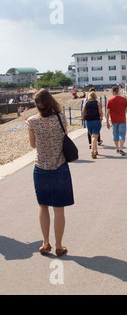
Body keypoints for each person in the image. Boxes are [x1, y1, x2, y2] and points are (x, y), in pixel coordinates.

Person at [25, 89, 74, 257]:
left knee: (43, 206)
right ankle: (59, 245)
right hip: (60, 167)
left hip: (41, 169)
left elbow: (33, 145)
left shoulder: (32, 122)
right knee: (58, 209)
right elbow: (64, 137)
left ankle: (45, 243)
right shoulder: (61, 118)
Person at [106, 86, 127, 156]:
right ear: (118, 91)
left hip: (114, 120)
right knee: (122, 134)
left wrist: (107, 122)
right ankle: (121, 148)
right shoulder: (123, 99)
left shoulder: (110, 100)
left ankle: (117, 148)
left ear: (113, 92)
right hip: (122, 120)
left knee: (115, 134)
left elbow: (107, 112)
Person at [82, 91, 103, 159]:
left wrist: (87, 114)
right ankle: (92, 151)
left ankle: (96, 150)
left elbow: (83, 111)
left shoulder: (86, 103)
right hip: (96, 120)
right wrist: (101, 117)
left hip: (89, 122)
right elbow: (100, 111)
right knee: (95, 136)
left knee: (92, 136)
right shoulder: (97, 103)